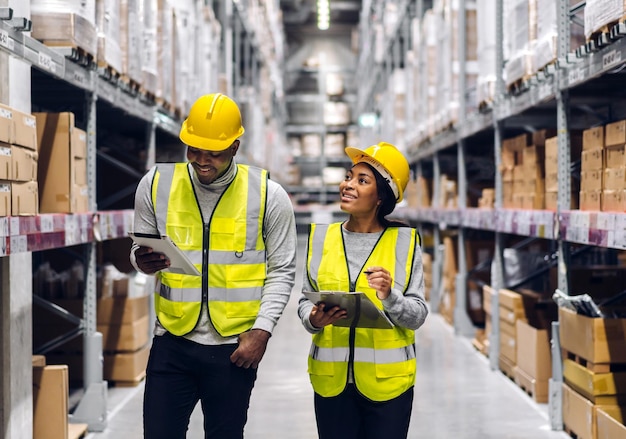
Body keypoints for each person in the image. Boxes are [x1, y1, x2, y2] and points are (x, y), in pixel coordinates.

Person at [130, 93, 298, 439]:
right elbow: (140, 250)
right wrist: (140, 259)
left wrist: (262, 331)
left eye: (214, 153)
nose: (201, 161)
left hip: (233, 349)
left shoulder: (269, 196)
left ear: (235, 147)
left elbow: (282, 270)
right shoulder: (156, 184)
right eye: (194, 150)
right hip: (172, 341)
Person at [297, 142, 429, 439]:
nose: (348, 185)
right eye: (348, 176)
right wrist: (313, 320)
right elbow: (305, 300)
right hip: (332, 382)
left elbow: (418, 315)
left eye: (362, 180)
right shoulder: (321, 239)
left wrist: (390, 295)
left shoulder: (404, 243)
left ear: (381, 196)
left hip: (388, 385)